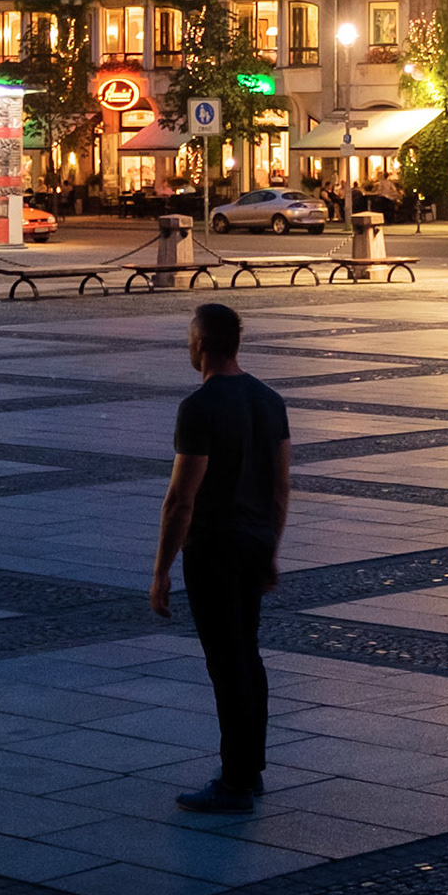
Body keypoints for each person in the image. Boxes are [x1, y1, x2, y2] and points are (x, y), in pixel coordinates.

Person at [150, 304, 290, 815]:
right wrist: (271, 548)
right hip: (254, 543)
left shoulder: (200, 407)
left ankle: (234, 780)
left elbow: (181, 498)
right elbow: (280, 488)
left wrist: (162, 569)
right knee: (248, 656)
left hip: (213, 548)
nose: (188, 347)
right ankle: (250, 769)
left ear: (203, 344)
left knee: (226, 664)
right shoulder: (270, 401)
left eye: (190, 339)